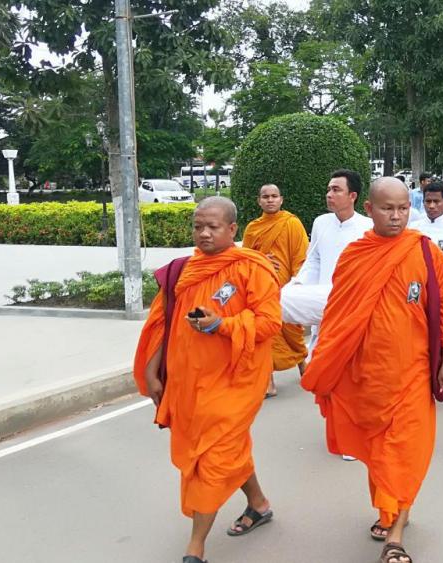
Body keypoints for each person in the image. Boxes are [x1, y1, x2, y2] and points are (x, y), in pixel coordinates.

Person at [302, 178, 443, 563]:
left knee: (404, 450)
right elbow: (337, 316)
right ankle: (391, 509)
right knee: (379, 452)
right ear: (369, 209)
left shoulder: (425, 253)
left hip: (413, 373)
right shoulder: (355, 255)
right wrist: (327, 362)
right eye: (388, 208)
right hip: (367, 376)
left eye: (403, 208)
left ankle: (396, 535)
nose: (396, 215)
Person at [133, 197, 282, 563]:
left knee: (213, 456)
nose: (204, 233)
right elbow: (161, 324)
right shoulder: (183, 270)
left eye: (213, 227)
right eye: (198, 226)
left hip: (237, 381)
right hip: (190, 382)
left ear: (233, 229)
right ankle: (259, 505)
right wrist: (152, 371)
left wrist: (222, 325)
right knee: (226, 448)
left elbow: (269, 323)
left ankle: (196, 547)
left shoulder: (251, 268)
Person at [285, 169, 373, 357]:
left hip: (353, 305)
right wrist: (299, 284)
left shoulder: (368, 227)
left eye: (335, 190)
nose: (329, 194)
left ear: (352, 196)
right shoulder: (321, 223)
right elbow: (314, 260)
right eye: (328, 189)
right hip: (322, 302)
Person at [242, 184, 309, 397]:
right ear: (259, 201)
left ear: (281, 199)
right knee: (264, 335)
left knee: (291, 331)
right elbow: (243, 259)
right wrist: (261, 259)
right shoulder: (253, 228)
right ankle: (268, 382)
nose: (270, 200)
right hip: (260, 289)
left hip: (286, 289)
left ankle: (304, 368)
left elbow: (300, 257)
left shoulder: (292, 223)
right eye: (265, 197)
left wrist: (297, 285)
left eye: (274, 196)